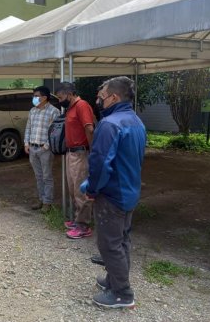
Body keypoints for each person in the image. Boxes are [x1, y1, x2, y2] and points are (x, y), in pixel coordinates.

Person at [80, 77, 146, 308]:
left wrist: (92, 189)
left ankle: (122, 294)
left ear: (114, 98)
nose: (99, 100)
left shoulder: (109, 124)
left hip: (112, 194)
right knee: (122, 240)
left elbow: (99, 163)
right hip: (129, 190)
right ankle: (113, 280)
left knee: (110, 244)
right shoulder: (135, 121)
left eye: (103, 96)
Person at [55, 82, 95, 239]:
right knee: (73, 189)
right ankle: (78, 219)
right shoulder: (71, 107)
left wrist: (93, 151)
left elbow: (89, 128)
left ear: (70, 93)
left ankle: (83, 226)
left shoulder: (81, 105)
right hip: (71, 153)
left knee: (81, 191)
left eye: (60, 97)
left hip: (81, 153)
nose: (59, 101)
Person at [24, 86, 60, 213]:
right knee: (38, 176)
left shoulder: (53, 111)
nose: (34, 98)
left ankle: (47, 202)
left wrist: (46, 146)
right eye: (34, 96)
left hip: (45, 149)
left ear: (44, 97)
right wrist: (26, 144)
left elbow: (55, 132)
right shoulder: (33, 111)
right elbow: (28, 128)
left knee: (47, 176)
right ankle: (41, 199)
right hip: (32, 148)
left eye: (36, 96)